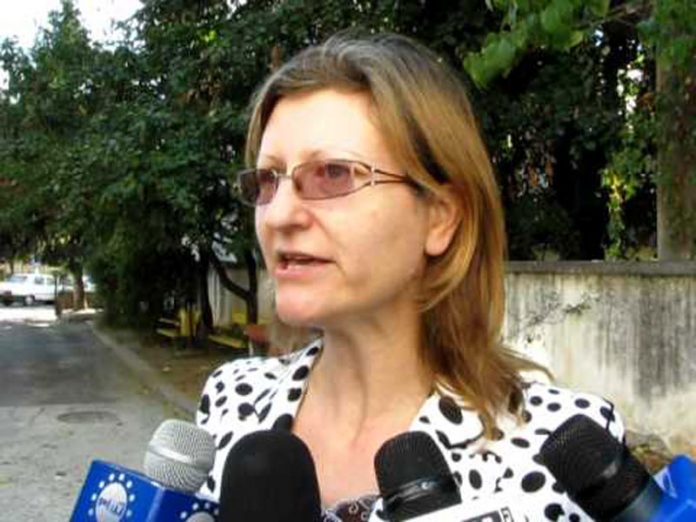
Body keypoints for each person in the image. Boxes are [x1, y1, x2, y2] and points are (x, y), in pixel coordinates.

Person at [197, 32, 624, 520]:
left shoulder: (562, 453)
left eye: (333, 173)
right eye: (267, 180)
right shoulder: (233, 400)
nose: (278, 215)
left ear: (440, 216)